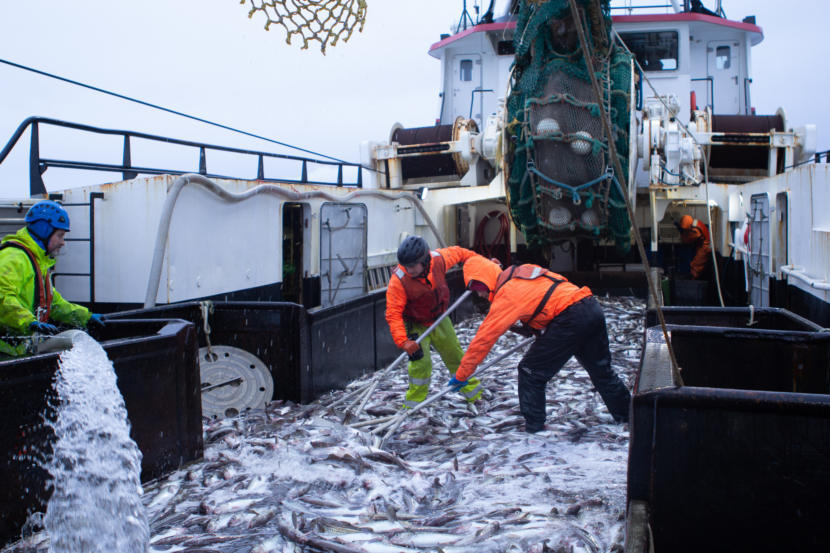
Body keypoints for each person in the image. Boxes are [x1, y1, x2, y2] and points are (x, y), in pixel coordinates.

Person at [449, 256, 630, 432]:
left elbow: (484, 338)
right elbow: (548, 295)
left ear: (487, 278)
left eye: (478, 286)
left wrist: (462, 374)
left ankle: (534, 430)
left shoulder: (507, 294)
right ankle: (631, 416)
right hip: (590, 307)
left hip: (570, 318)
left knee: (530, 371)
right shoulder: (521, 272)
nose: (479, 293)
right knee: (602, 371)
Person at [385, 235, 483, 408]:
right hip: (415, 324)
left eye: (413, 265)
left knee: (455, 355)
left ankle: (474, 396)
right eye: (406, 265)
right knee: (420, 365)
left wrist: (484, 266)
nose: (409, 270)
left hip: (439, 318)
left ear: (424, 260)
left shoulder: (439, 259)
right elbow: (393, 314)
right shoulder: (398, 281)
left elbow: (463, 254)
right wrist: (404, 342)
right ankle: (412, 406)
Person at [0, 200, 104, 357]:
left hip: (18, 349)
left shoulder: (38, 262)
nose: (63, 242)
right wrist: (28, 322)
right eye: (60, 235)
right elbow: (2, 298)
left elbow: (53, 303)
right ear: (43, 230)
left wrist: (85, 317)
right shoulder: (14, 258)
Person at [678, 214, 712, 280]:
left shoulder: (695, 231)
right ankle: (695, 277)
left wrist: (681, 232)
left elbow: (687, 241)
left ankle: (693, 279)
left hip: (705, 247)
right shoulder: (694, 223)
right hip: (702, 244)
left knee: (696, 264)